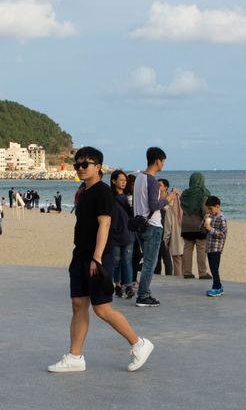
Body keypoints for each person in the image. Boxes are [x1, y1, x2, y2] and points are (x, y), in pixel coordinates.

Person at [48, 147, 153, 373]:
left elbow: (104, 224)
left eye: (85, 164)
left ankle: (139, 344)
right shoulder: (84, 192)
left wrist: (97, 258)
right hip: (80, 256)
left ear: (98, 167)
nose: (80, 168)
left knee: (102, 308)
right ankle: (75, 357)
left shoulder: (102, 192)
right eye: (77, 165)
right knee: (78, 305)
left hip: (97, 257)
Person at [133, 147, 172, 307]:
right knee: (150, 262)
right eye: (163, 161)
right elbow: (154, 205)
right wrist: (168, 198)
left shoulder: (138, 178)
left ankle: (143, 293)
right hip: (152, 226)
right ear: (158, 160)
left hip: (139, 224)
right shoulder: (153, 182)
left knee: (148, 261)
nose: (163, 164)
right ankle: (143, 295)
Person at [108, 170, 136, 299]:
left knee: (127, 261)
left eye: (125, 180)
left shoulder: (128, 197)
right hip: (114, 234)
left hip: (128, 234)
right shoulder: (109, 198)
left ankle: (129, 286)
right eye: (121, 180)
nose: (124, 183)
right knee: (117, 262)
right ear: (114, 181)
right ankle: (117, 285)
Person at [179, 173, 212, 280]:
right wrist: (207, 222)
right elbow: (206, 211)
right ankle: (202, 273)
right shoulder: (203, 194)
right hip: (199, 226)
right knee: (201, 249)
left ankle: (187, 272)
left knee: (187, 248)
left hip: (186, 225)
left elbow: (183, 207)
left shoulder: (185, 194)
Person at [202, 196, 227, 297]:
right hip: (209, 247)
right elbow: (202, 229)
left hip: (217, 248)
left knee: (214, 268)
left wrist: (211, 229)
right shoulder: (210, 217)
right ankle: (217, 286)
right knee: (212, 268)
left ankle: (217, 287)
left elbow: (223, 234)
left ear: (217, 206)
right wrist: (205, 221)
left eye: (211, 209)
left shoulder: (222, 219)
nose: (210, 211)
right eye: (208, 209)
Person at [158, 178, 183, 276]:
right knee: (156, 258)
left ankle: (169, 276)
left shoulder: (171, 199)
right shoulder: (155, 199)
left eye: (159, 185)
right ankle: (157, 275)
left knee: (167, 258)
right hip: (157, 229)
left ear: (165, 187)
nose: (157, 187)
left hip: (166, 230)